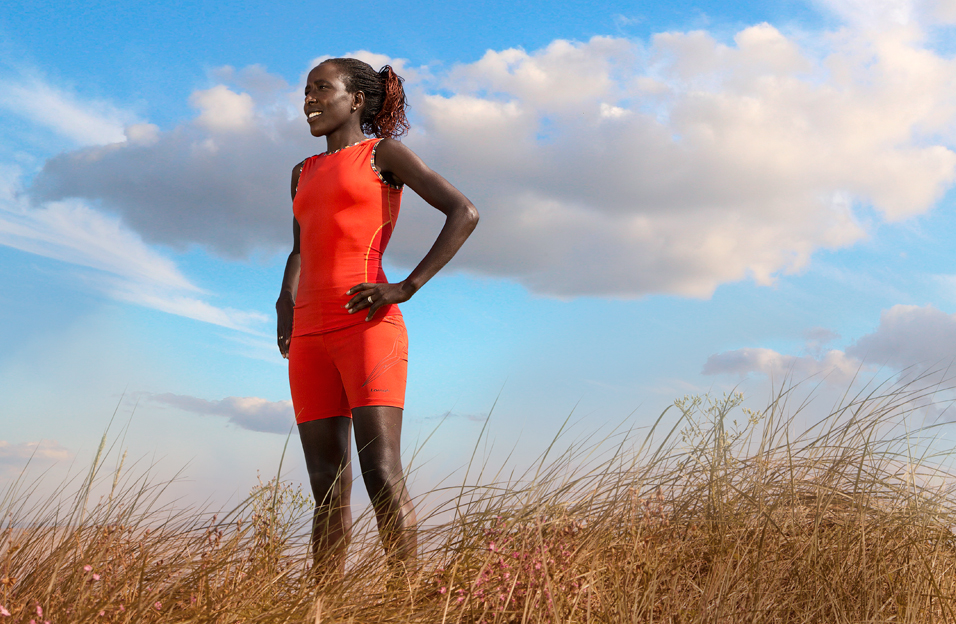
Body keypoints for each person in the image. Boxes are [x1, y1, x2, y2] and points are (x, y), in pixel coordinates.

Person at [275, 58, 479, 580]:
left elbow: (463, 211)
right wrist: (284, 300)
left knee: (381, 473)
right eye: (306, 90)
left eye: (322, 88)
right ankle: (324, 604)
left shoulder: (381, 155)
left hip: (368, 326)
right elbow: (301, 248)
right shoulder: (303, 171)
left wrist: (406, 286)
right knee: (326, 484)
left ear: (356, 99)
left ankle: (406, 601)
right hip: (309, 333)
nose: (309, 100)